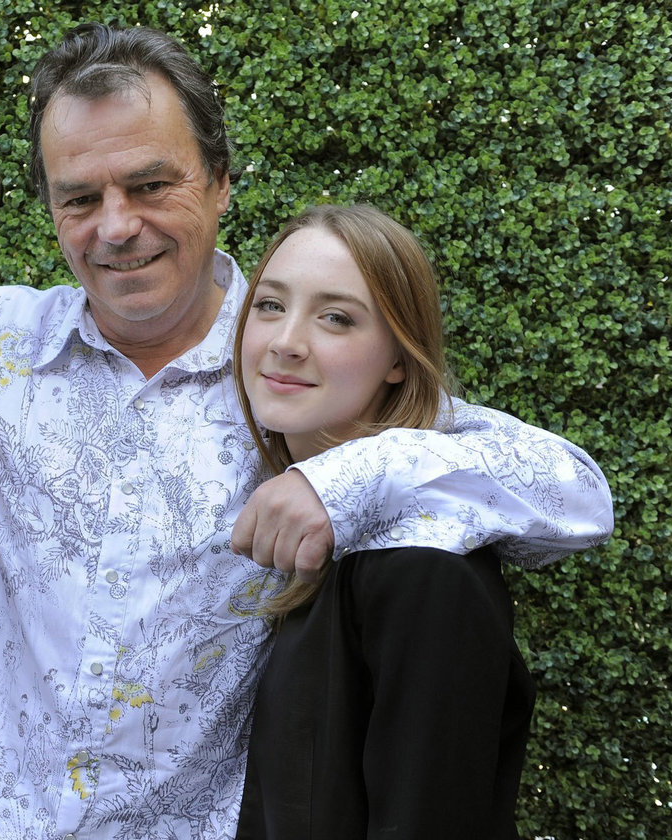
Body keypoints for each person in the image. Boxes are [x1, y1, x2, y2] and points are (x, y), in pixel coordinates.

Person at [0, 25, 613, 839]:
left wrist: (344, 478)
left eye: (150, 185)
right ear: (53, 211)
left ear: (222, 182)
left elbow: (570, 491)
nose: (116, 226)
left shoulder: (291, 368)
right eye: (80, 197)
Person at [232, 204, 557, 839]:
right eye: (269, 305)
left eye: (336, 318)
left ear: (399, 359)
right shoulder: (296, 530)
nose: (286, 341)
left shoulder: (424, 570)